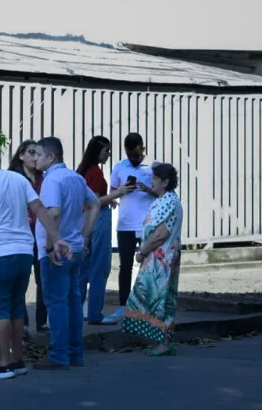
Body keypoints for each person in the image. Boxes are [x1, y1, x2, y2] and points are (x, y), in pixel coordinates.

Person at [0, 142, 69, 379]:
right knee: (17, 308)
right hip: (24, 252)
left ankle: (4, 363)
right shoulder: (19, 180)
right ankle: (17, 360)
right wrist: (56, 237)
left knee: (0, 310)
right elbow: (39, 208)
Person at [31, 137, 101, 370]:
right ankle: (74, 353)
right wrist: (84, 235)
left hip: (57, 250)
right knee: (73, 302)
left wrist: (51, 245)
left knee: (57, 303)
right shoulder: (76, 177)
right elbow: (95, 204)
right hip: (76, 248)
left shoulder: (52, 180)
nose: (35, 159)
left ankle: (59, 355)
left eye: (38, 154)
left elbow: (54, 213)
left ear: (51, 157)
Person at [121, 163, 183, 356]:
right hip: (157, 259)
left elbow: (160, 235)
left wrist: (142, 252)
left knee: (160, 300)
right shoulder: (164, 199)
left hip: (161, 260)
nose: (151, 181)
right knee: (156, 299)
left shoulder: (170, 202)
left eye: (155, 178)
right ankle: (161, 341)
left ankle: (164, 342)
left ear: (165, 182)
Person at [103, 133, 159, 324]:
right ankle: (123, 305)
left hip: (147, 224)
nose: (133, 159)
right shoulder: (119, 167)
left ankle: (147, 306)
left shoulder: (153, 166)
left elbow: (162, 194)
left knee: (149, 266)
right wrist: (120, 193)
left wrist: (147, 189)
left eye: (136, 155)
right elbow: (112, 192)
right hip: (125, 225)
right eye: (130, 155)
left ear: (143, 149)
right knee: (125, 266)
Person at [75, 136, 130, 325]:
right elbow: (96, 202)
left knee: (83, 268)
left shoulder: (84, 171)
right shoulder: (96, 173)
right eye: (106, 150)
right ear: (97, 152)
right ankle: (95, 314)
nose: (108, 154)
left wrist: (109, 198)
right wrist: (118, 193)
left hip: (84, 220)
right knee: (100, 267)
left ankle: (77, 311)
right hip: (98, 219)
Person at [8, 140, 47, 336]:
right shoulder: (14, 178)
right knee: (20, 279)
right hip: (21, 232)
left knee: (43, 278)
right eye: (31, 152)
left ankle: (43, 321)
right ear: (21, 155)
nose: (35, 157)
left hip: (41, 231)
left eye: (38, 153)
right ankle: (21, 322)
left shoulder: (44, 178)